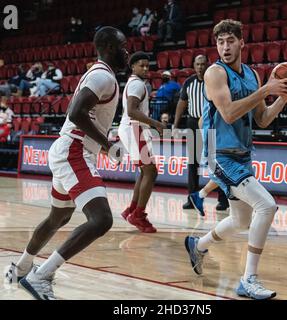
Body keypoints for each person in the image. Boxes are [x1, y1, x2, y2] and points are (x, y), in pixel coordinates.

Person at [5, 26, 128, 300]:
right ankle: (41, 275)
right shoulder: (102, 76)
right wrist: (107, 144)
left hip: (68, 149)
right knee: (102, 219)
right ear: (109, 46)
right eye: (123, 46)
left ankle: (22, 267)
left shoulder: (99, 75)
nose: (127, 51)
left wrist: (104, 143)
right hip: (74, 151)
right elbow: (75, 113)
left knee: (58, 217)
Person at [184, 19, 287, 300]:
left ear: (242, 42)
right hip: (219, 154)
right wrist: (265, 91)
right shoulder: (214, 73)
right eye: (220, 42)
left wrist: (283, 96)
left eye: (230, 41)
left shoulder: (251, 75)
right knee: (267, 206)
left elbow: (262, 118)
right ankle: (249, 279)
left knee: (240, 220)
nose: (225, 47)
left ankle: (198, 245)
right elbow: (229, 114)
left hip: (242, 153)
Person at [173, 55, 228, 212]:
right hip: (192, 123)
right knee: (193, 163)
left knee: (215, 163)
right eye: (197, 64)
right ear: (194, 65)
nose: (200, 67)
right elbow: (181, 103)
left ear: (207, 65)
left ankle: (222, 200)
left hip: (211, 123)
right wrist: (175, 125)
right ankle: (192, 198)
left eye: (203, 64)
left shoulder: (214, 81)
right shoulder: (189, 82)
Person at [118, 51, 166, 233]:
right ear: (133, 66)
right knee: (151, 172)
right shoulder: (138, 84)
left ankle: (132, 208)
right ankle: (138, 215)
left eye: (147, 65)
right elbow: (131, 110)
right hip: (134, 128)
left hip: (132, 128)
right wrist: (156, 124)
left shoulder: (134, 83)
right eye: (142, 65)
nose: (146, 68)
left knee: (145, 171)